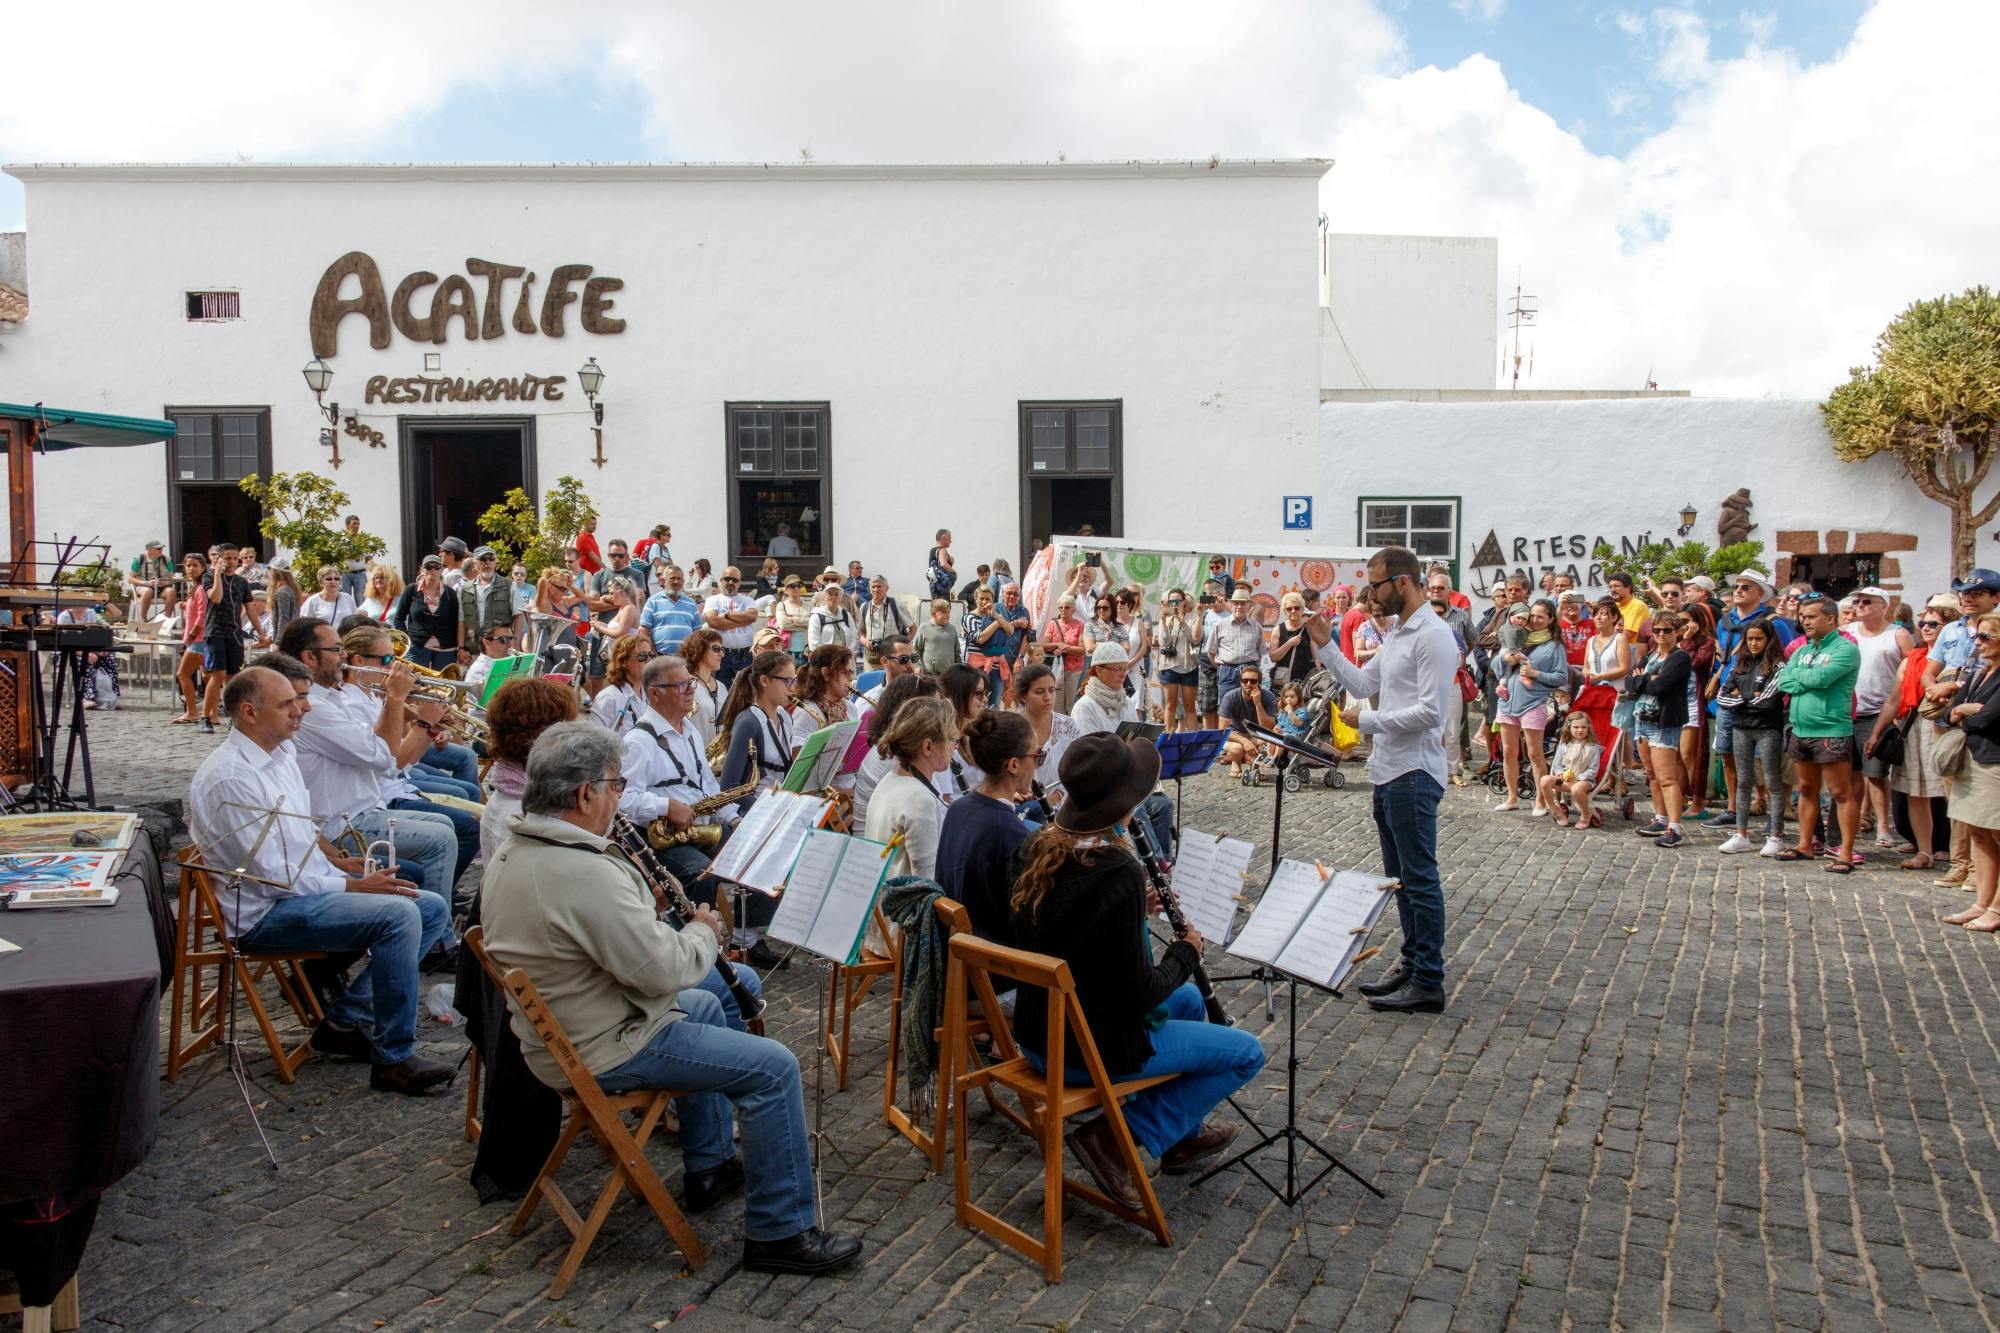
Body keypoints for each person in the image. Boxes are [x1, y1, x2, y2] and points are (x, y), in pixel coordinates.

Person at [479, 722, 856, 1275]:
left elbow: (598, 945)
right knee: (774, 1068)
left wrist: (643, 915)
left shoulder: (519, 849)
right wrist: (703, 928)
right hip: (605, 1043)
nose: (618, 797)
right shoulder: (580, 869)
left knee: (704, 1004)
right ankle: (781, 1233)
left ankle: (709, 1165)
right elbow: (666, 970)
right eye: (614, 786)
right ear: (584, 795)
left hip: (569, 1028)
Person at [1006, 733, 1264, 1208]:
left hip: (1038, 1031)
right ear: (1122, 802)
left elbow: (1073, 932)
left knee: (1187, 1003)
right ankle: (1114, 1136)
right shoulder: (1115, 871)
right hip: (1086, 1048)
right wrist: (1185, 953)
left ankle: (1181, 1138)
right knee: (1247, 1053)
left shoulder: (1036, 850)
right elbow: (1139, 994)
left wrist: (1133, 914)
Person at [190, 663, 455, 1094]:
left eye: (299, 700)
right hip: (265, 915)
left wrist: (337, 864)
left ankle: (347, 1020)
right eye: (288, 704)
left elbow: (296, 838)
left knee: (430, 906)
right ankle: (394, 1058)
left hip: (298, 892)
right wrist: (351, 886)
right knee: (400, 915)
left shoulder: (281, 754)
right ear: (249, 713)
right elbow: (270, 877)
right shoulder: (233, 775)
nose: (301, 710)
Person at [1304, 546, 1455, 1014]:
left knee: (1419, 878)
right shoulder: (1398, 634)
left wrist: (1366, 723)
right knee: (1400, 880)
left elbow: (1432, 712)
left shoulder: (1433, 635)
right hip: (1388, 770)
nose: (1372, 595)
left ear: (1403, 583)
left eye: (1377, 585)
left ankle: (1429, 978)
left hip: (1414, 771)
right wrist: (1326, 644)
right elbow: (1364, 684)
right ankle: (1412, 966)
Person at [276, 618, 464, 904]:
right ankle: (438, 935)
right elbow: (386, 759)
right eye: (337, 649)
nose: (344, 656)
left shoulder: (332, 697)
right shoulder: (317, 707)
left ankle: (431, 916)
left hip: (364, 807)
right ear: (308, 657)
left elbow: (387, 755)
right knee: (443, 836)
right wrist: (400, 702)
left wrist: (425, 723)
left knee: (449, 823)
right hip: (342, 823)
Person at [619, 653, 743, 909]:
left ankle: (748, 940)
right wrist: (666, 806)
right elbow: (623, 801)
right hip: (663, 838)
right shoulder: (638, 742)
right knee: (702, 875)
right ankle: (703, 938)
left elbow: (707, 785)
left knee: (751, 853)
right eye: (681, 686)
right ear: (654, 693)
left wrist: (733, 818)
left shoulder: (689, 731)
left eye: (691, 684)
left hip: (696, 829)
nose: (690, 691)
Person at [1867, 597, 1957, 869]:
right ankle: (1925, 851)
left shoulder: (1959, 660)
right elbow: (1893, 700)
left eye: (1934, 623)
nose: (1926, 628)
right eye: (1923, 623)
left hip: (1945, 727)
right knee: (1917, 793)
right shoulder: (1913, 660)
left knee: (1951, 793)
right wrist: (1876, 732)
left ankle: (1958, 852)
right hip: (1915, 728)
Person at [1775, 593, 1863, 871]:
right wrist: (1806, 680)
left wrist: (1801, 679)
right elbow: (1783, 681)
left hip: (1831, 728)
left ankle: (1845, 851)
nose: (1805, 621)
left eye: (1811, 616)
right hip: (1801, 728)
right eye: (1802, 617)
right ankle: (1805, 844)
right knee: (1807, 789)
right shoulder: (1802, 650)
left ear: (1830, 618)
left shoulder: (1845, 648)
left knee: (1840, 792)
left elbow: (1822, 679)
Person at [1924, 569, 2000, 886]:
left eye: (1976, 593)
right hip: (1950, 717)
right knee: (1955, 794)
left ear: (1994, 598)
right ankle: (1960, 863)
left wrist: (1954, 686)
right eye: (1964, 593)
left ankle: (1978, 872)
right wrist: (1934, 689)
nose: (1967, 598)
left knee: (1982, 802)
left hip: (1986, 721)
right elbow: (1930, 671)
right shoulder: (1951, 630)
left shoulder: (1995, 631)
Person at [935, 711, 1035, 942]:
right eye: (1036, 756)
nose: (1037, 763)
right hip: (992, 966)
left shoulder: (958, 809)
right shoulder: (1012, 835)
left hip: (955, 954)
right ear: (1013, 764)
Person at [480, 677, 579, 865]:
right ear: (544, 736)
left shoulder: (508, 791)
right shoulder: (526, 815)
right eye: (567, 730)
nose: (572, 739)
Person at [1847, 585, 1914, 850]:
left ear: (1883, 607)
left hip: (1879, 712)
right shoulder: (1849, 632)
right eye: (1858, 600)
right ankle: (1854, 819)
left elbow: (1910, 672)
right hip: (1848, 710)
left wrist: (1900, 711)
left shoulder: (1897, 634)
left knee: (1875, 772)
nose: (1860, 605)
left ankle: (1883, 826)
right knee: (1849, 771)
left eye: (1867, 601)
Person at [1944, 615, 2000, 932]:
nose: (1978, 642)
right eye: (1977, 637)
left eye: (1986, 637)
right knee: (1979, 833)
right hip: (1972, 755)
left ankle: (1997, 908)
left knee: (1996, 833)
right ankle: (1982, 901)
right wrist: (1966, 710)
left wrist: (1965, 711)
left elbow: (1989, 716)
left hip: (1994, 760)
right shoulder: (1980, 673)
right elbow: (1955, 708)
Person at [1714, 621, 1789, 857]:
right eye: (1750, 639)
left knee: (1772, 781)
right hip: (1741, 728)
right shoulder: (1740, 665)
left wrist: (1742, 697)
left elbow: (1767, 700)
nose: (1754, 644)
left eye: (1759, 639)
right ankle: (1741, 833)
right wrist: (1749, 696)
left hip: (1768, 728)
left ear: (1769, 640)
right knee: (1744, 780)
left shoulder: (1778, 666)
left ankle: (1775, 835)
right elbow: (1722, 697)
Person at [863, 696, 958, 880]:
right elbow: (928, 883)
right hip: (901, 906)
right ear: (928, 746)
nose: (953, 747)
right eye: (951, 739)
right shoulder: (919, 799)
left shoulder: (890, 779)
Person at [1492, 598, 1566, 816]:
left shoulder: (1554, 646)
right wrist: (1506, 658)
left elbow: (1561, 676)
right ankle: (1512, 796)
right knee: (1509, 752)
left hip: (1533, 703)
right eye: (1532, 615)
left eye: (1540, 616)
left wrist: (1536, 674)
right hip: (1507, 702)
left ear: (1551, 619)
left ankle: (1540, 801)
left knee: (1535, 754)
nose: (1534, 620)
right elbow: (1496, 666)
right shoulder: (1517, 635)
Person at [1629, 613, 1693, 846]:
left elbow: (1661, 686)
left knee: (1667, 777)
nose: (1661, 634)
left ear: (1677, 632)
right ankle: (1660, 817)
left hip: (1663, 722)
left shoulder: (1680, 658)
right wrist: (1649, 679)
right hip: (1642, 718)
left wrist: (1644, 680)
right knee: (1652, 775)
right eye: (1657, 630)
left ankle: (1674, 827)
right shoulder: (1650, 656)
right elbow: (1631, 683)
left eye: (1667, 630)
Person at [852, 675, 941, 830]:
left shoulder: (903, 747)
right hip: (880, 848)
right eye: (933, 709)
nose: (940, 718)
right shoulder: (893, 757)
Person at [719, 649, 798, 810]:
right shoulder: (748, 722)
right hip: (754, 814)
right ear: (764, 681)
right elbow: (728, 787)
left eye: (794, 681)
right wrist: (764, 811)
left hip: (777, 805)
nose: (793, 689)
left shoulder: (785, 716)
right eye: (787, 681)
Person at [200, 544, 252, 734]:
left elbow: (250, 607)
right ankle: (206, 717)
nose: (231, 562)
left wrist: (261, 633)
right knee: (218, 674)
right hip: (215, 631)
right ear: (220, 559)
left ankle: (232, 716)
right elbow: (216, 598)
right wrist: (216, 575)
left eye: (234, 558)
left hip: (234, 632)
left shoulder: (241, 581)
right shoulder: (208, 577)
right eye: (227, 558)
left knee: (233, 677)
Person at [1014, 663, 1081, 807]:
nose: (1047, 697)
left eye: (1051, 690)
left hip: (1062, 812)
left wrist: (1056, 797)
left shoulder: (1068, 726)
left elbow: (1078, 771)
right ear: (1023, 696)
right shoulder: (1010, 729)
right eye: (1039, 692)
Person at [390, 556, 461, 672]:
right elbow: (399, 619)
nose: (432, 570)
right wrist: (408, 641)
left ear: (441, 570)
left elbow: (456, 622)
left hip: (446, 649)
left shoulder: (450, 593)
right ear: (422, 569)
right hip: (417, 647)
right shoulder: (411, 590)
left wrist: (459, 647)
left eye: (436, 567)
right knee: (413, 683)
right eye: (428, 567)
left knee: (444, 686)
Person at [1204, 588, 1264, 714]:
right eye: (1236, 603)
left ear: (1249, 606)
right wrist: (1222, 667)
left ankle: (1248, 734)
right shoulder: (1220, 625)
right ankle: (1227, 734)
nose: (1239, 606)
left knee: (1251, 707)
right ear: (1230, 605)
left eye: (1243, 603)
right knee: (1227, 709)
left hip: (1250, 672)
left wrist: (1251, 668)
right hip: (1227, 672)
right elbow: (1210, 652)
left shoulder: (1257, 627)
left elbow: (1260, 653)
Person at [1539, 712, 1604, 829]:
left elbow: (1593, 770)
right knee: (1544, 780)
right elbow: (1557, 765)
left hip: (1584, 781)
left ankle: (1585, 815)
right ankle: (1555, 810)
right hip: (1564, 780)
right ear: (1569, 728)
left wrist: (1578, 778)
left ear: (1588, 728)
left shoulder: (1593, 747)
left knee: (1576, 788)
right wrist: (1560, 773)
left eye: (1583, 727)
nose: (1580, 730)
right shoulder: (1564, 745)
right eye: (1576, 727)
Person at [702, 566, 762, 686]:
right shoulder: (713, 600)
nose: (730, 582)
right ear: (721, 580)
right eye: (727, 579)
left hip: (745, 654)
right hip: (721, 654)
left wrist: (725, 616)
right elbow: (713, 621)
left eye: (734, 580)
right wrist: (742, 620)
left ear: (739, 583)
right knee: (722, 691)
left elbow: (752, 616)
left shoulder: (747, 600)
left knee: (745, 692)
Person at [789, 644, 855, 752]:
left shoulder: (850, 708)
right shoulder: (806, 713)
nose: (851, 678)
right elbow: (798, 758)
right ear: (826, 674)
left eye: (850, 673)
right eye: (844, 673)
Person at [171, 552, 210, 725]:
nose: (191, 568)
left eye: (195, 565)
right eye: (188, 565)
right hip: (198, 639)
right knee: (208, 676)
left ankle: (192, 711)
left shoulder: (201, 589)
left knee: (183, 674)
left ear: (203, 567)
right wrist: (186, 605)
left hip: (198, 639)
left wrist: (192, 635)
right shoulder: (194, 588)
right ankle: (210, 712)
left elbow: (202, 615)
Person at [590, 632, 655, 737]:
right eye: (642, 656)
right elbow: (594, 741)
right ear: (623, 660)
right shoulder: (609, 697)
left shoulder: (649, 694)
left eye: (651, 655)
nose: (649, 661)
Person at [1218, 665, 1278, 776]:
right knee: (1237, 749)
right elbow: (1222, 730)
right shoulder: (1230, 697)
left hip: (1255, 734)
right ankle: (1236, 762)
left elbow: (1269, 727)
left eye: (1253, 681)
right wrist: (1245, 741)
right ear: (1240, 682)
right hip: (1235, 735)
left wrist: (1258, 704)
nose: (1248, 684)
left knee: (1271, 740)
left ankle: (1253, 766)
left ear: (1259, 683)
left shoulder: (1268, 696)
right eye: (1245, 681)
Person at [458, 546, 512, 666]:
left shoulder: (508, 585)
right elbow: (461, 621)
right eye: (483, 559)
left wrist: (515, 642)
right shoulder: (465, 588)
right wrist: (461, 648)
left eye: (491, 559)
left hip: (500, 647)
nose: (488, 562)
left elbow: (518, 617)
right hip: (473, 649)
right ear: (475, 564)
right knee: (475, 682)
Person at [1153, 590, 1199, 731]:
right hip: (1169, 666)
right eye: (1171, 601)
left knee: (1189, 707)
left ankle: (1192, 741)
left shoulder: (1192, 617)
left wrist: (1182, 621)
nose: (1174, 604)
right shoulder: (1165, 618)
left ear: (1184, 602)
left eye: (1177, 601)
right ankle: (1168, 738)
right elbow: (1163, 641)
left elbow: (1194, 639)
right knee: (1170, 705)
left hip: (1189, 666)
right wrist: (1162, 621)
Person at [639, 564, 703, 658]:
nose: (676, 581)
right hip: (660, 658)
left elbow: (697, 632)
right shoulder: (653, 601)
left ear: (683, 581)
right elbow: (644, 631)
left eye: (679, 579)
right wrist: (654, 655)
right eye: (672, 578)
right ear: (664, 581)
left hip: (685, 659)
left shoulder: (691, 603)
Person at [680, 627, 728, 746]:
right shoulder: (685, 685)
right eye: (716, 649)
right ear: (699, 649)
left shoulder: (721, 686)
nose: (721, 654)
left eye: (722, 650)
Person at [964, 585, 1011, 707]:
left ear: (992, 601)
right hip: (978, 668)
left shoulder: (996, 614)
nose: (984, 602)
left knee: (994, 706)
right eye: (981, 598)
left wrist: (995, 616)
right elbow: (979, 638)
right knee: (977, 704)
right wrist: (997, 623)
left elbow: (1010, 630)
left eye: (988, 599)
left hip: (996, 668)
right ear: (976, 599)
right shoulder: (970, 617)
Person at [857, 576, 911, 669]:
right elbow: (860, 631)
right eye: (873, 587)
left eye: (879, 586)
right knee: (871, 682)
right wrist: (865, 641)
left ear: (887, 588)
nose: (875, 589)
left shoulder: (896, 605)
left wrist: (903, 645)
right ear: (869, 589)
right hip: (872, 658)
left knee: (892, 683)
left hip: (893, 657)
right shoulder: (864, 607)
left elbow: (913, 628)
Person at [1268, 593, 1315, 691]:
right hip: (1283, 683)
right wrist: (1289, 643)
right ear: (1284, 611)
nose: (1293, 611)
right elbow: (1273, 657)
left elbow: (1316, 657)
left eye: (1297, 608)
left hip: (1305, 682)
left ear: (1302, 610)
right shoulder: (1278, 629)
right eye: (1289, 608)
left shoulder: (1310, 629)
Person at [127, 539, 178, 622]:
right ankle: (143, 620)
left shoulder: (167, 560)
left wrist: (165, 582)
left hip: (162, 588)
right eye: (159, 548)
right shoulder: (139, 559)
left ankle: (166, 621)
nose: (161, 550)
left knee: (171, 591)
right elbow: (130, 579)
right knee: (148, 591)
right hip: (143, 587)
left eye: (162, 548)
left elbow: (173, 579)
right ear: (150, 549)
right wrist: (146, 583)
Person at [862, 633, 918, 707]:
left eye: (914, 658)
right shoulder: (868, 703)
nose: (910, 665)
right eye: (903, 659)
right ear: (885, 661)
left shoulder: (926, 696)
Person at [914, 598, 961, 676]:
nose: (947, 615)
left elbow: (956, 653)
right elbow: (916, 650)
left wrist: (959, 670)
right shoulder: (924, 628)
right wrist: (917, 666)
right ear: (933, 614)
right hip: (929, 675)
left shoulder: (952, 629)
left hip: (948, 675)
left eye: (948, 612)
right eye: (943, 612)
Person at [772, 577, 814, 663]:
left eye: (799, 586)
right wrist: (805, 625)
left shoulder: (809, 605)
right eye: (792, 586)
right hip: (788, 650)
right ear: (786, 589)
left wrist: (793, 619)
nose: (796, 588)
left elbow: (814, 623)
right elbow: (783, 625)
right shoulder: (782, 605)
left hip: (807, 650)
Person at [806, 580, 856, 652]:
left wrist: (847, 652)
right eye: (830, 594)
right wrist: (831, 656)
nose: (833, 597)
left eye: (836, 594)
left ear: (840, 598)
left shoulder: (846, 615)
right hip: (824, 659)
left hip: (844, 658)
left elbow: (853, 637)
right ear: (824, 597)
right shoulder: (817, 616)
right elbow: (813, 643)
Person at [266, 560, 300, 643]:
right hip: (291, 636)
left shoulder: (282, 591)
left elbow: (283, 618)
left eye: (270, 569)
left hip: (285, 639)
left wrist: (278, 642)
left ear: (275, 572)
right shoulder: (290, 589)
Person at [339, 515, 370, 603]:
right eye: (354, 523)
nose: (357, 526)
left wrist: (362, 565)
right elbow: (340, 555)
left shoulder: (362, 539)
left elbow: (367, 556)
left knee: (361, 600)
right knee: (345, 599)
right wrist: (352, 556)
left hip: (360, 573)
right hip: (345, 573)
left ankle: (361, 617)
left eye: (358, 523)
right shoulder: (341, 539)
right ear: (347, 525)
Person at [927, 528, 957, 601]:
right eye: (949, 538)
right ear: (943, 538)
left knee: (936, 608)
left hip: (935, 588)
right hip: (942, 589)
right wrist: (954, 572)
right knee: (943, 609)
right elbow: (943, 564)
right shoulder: (942, 550)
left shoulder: (933, 550)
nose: (951, 541)